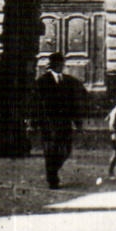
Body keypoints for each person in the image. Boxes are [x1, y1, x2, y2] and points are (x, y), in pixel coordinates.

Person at [34, 52, 86, 189]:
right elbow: (36, 104)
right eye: (60, 63)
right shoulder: (42, 82)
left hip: (64, 122)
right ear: (54, 65)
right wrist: (34, 122)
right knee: (51, 150)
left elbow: (73, 104)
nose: (62, 66)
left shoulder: (68, 81)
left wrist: (77, 122)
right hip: (49, 123)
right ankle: (52, 178)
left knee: (66, 149)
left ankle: (53, 170)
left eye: (62, 63)